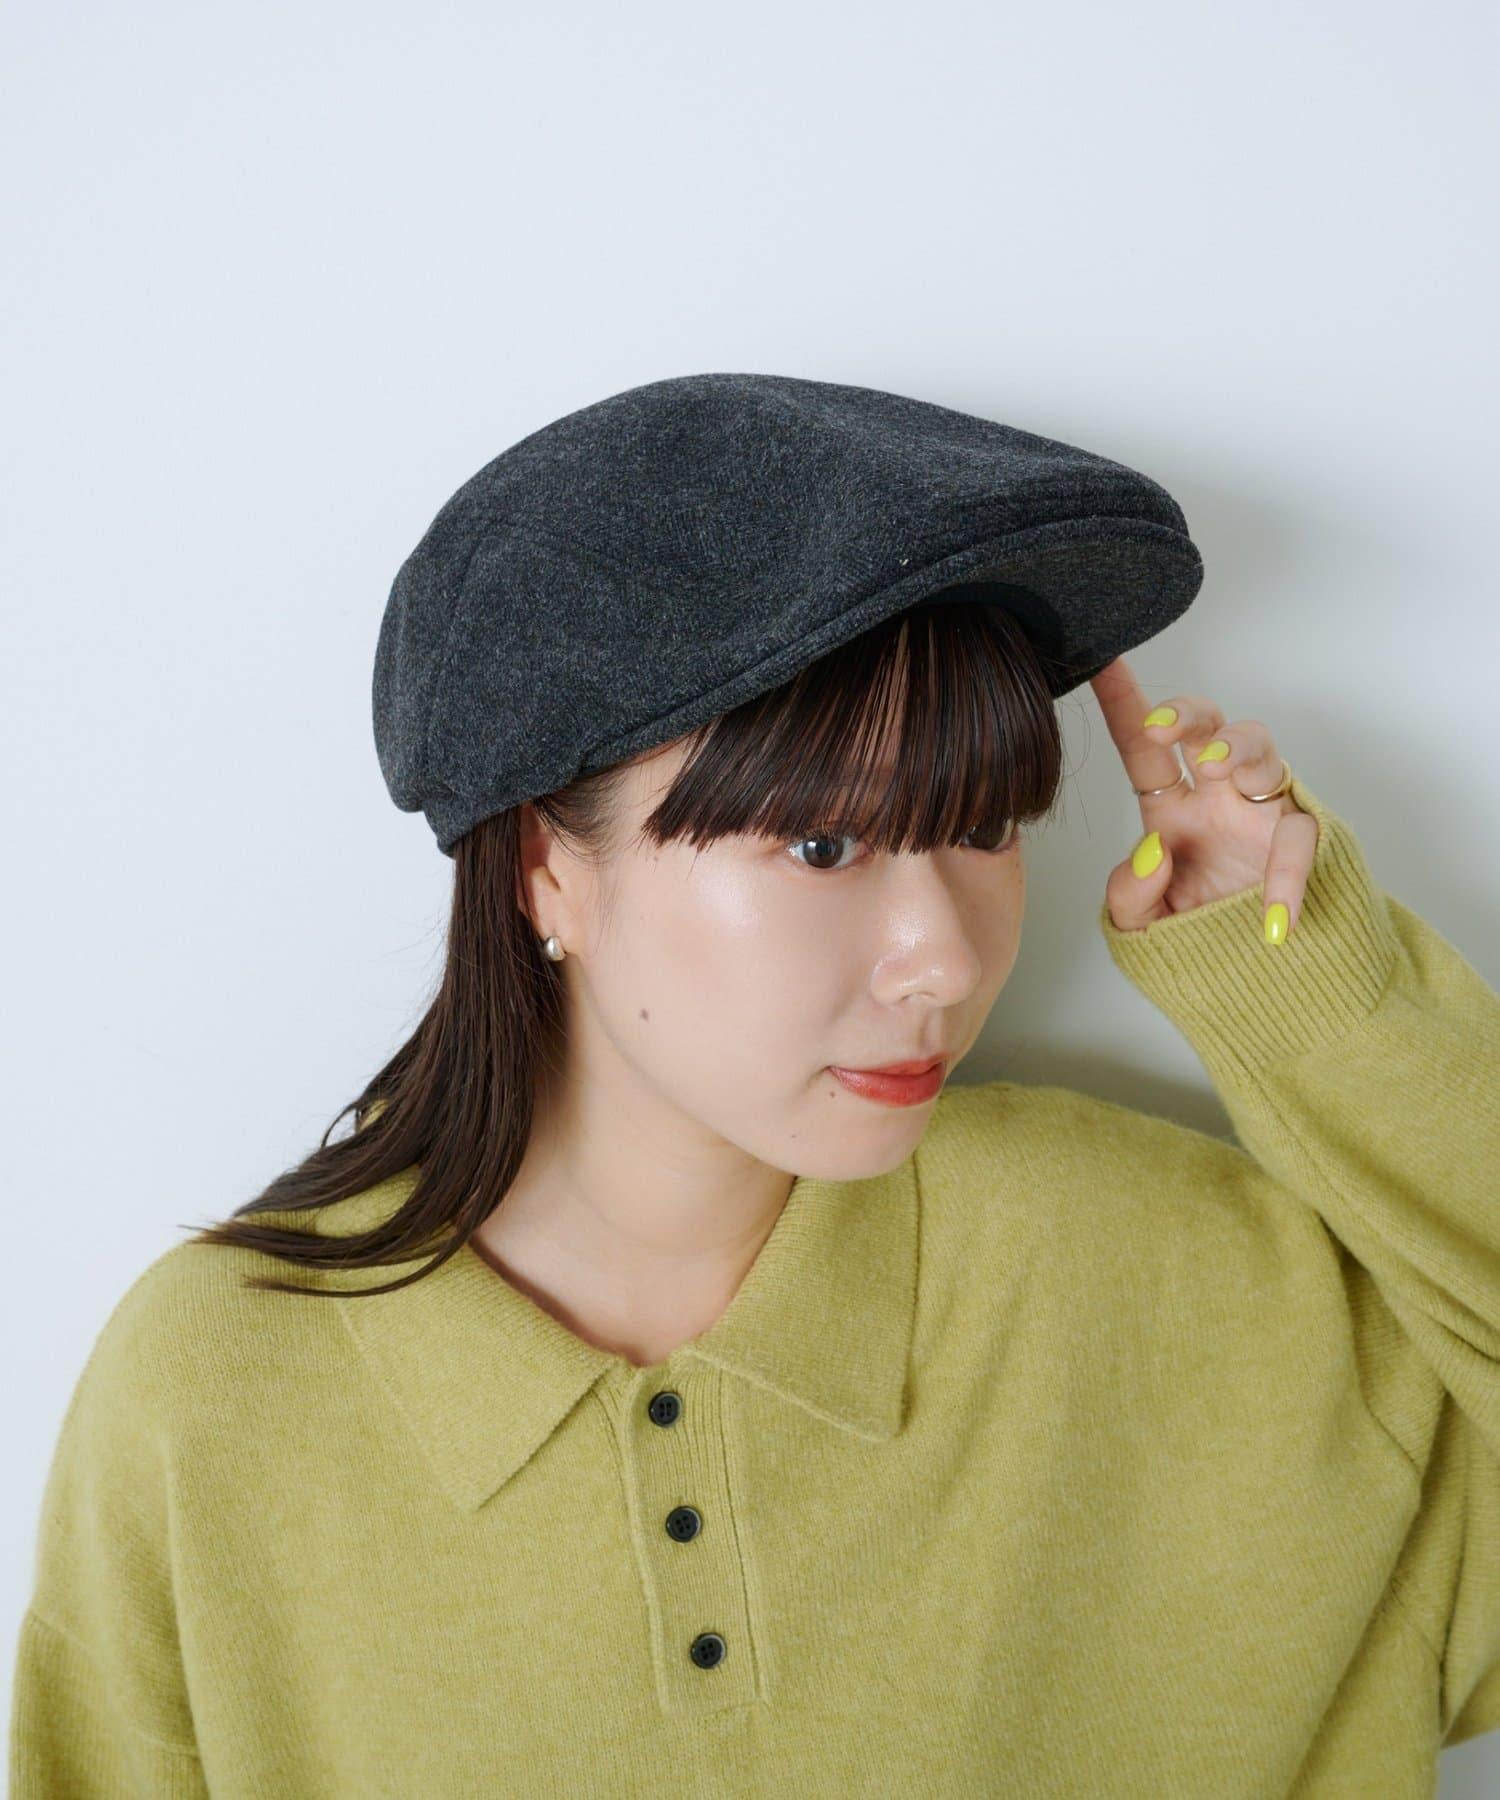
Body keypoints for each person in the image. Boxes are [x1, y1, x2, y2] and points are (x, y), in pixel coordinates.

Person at [10, 376, 1499, 1796]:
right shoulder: (217, 1395)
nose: (942, 957)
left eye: (983, 828)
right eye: (822, 846)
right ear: (545, 869)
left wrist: (1312, 992)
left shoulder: (1186, 1272)